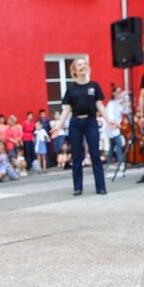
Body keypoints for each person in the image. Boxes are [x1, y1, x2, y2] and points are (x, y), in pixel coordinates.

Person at [52, 57, 113, 195]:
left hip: (91, 121)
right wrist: (59, 125)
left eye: (84, 64)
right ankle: (78, 187)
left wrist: (109, 120)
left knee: (95, 154)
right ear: (74, 70)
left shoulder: (94, 86)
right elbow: (67, 109)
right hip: (75, 123)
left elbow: (100, 105)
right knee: (76, 156)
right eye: (79, 65)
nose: (82, 66)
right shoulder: (71, 89)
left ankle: (101, 187)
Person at [105, 86, 126, 170]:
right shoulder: (111, 104)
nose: (119, 94)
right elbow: (111, 116)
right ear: (113, 93)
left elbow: (123, 111)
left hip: (117, 126)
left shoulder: (118, 103)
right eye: (117, 92)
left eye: (120, 92)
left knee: (113, 145)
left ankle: (109, 162)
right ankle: (121, 162)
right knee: (119, 143)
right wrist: (117, 124)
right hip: (113, 127)